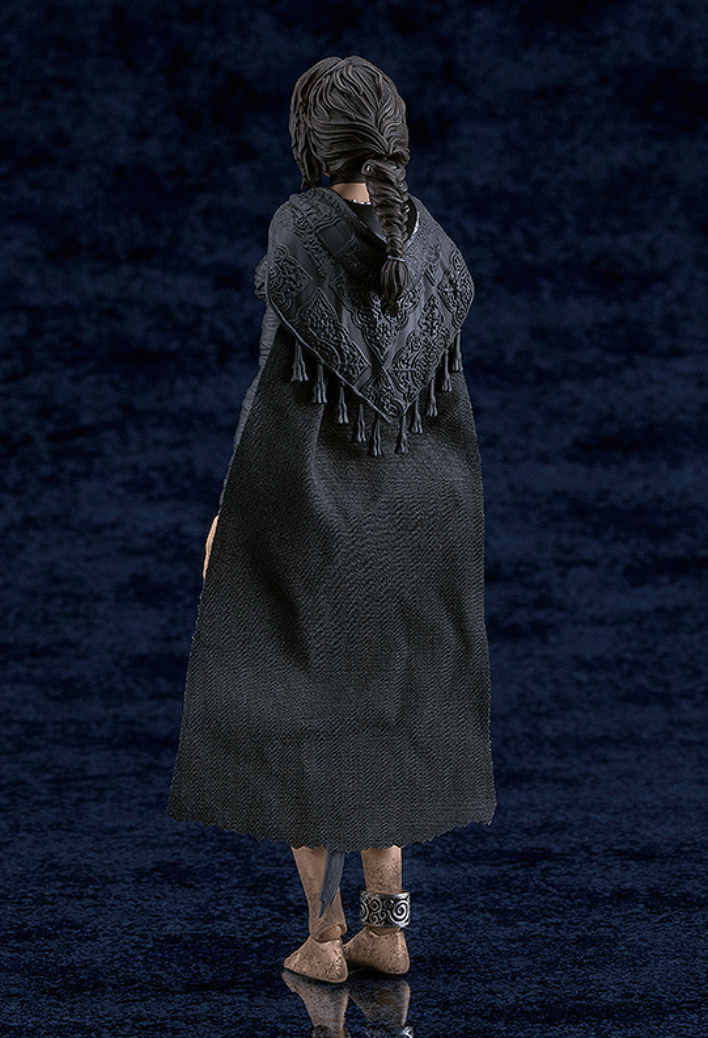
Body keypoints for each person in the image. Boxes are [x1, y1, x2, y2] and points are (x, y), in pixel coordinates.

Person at [168, 55, 495, 984]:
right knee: (392, 711)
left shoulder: (300, 228)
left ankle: (323, 937)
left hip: (312, 512)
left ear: (311, 140)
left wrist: (231, 514)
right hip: (424, 515)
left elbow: (273, 391)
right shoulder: (433, 242)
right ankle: (389, 931)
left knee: (297, 713)